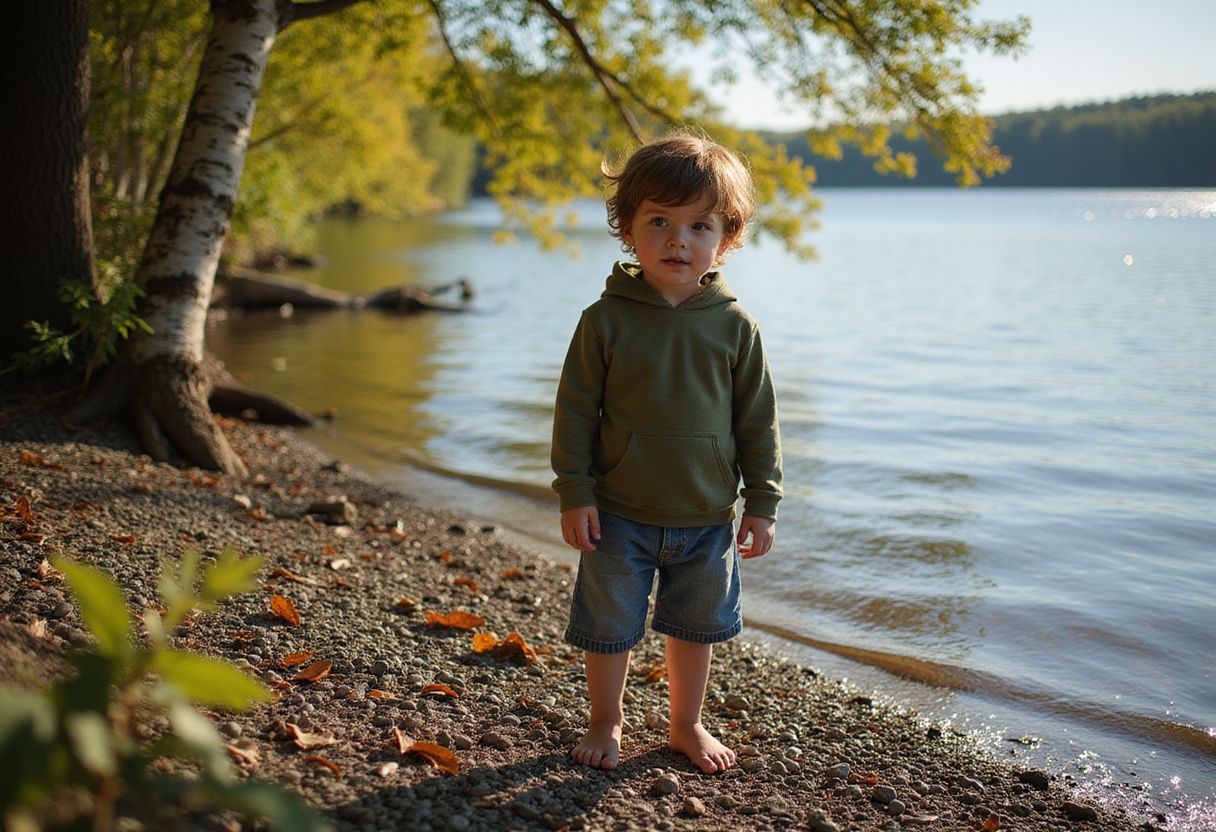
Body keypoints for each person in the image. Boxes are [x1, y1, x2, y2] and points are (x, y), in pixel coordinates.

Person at [550, 131, 783, 774]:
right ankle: (606, 719)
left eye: (699, 225)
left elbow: (757, 421)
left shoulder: (736, 326)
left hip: (707, 515)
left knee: (694, 627)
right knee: (609, 624)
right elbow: (574, 413)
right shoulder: (605, 320)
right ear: (628, 230)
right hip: (618, 512)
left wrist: (762, 504)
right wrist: (576, 491)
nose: (678, 239)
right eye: (659, 221)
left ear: (726, 240)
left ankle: (686, 724)